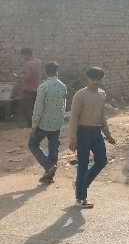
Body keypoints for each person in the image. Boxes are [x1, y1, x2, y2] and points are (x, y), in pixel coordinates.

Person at [69, 67, 116, 208]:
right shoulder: (80, 95)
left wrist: (108, 135)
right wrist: (73, 139)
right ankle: (80, 198)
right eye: (92, 79)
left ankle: (80, 185)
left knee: (101, 161)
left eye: (98, 79)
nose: (95, 82)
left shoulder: (102, 94)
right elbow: (73, 118)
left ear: (101, 80)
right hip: (83, 133)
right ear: (88, 79)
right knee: (83, 165)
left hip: (96, 132)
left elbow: (102, 116)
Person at [28, 61, 68, 182]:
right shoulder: (62, 86)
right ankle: (50, 175)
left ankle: (48, 166)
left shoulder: (43, 87)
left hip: (44, 123)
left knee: (32, 144)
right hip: (57, 122)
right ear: (57, 71)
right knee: (53, 146)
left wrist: (34, 127)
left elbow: (38, 108)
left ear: (45, 72)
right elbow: (63, 105)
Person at [18, 47, 42, 127]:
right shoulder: (38, 62)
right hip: (37, 87)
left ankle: (30, 123)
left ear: (27, 54)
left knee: (29, 107)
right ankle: (38, 122)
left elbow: (28, 77)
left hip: (29, 88)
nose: (24, 58)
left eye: (24, 56)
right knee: (36, 106)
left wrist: (21, 76)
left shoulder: (28, 64)